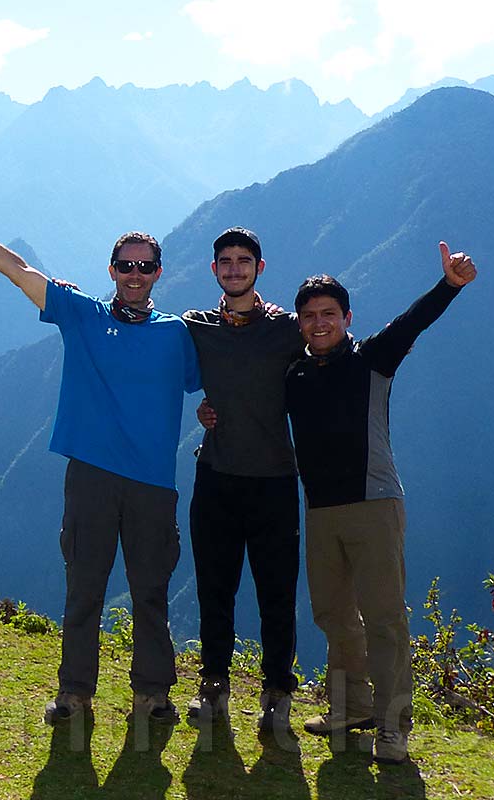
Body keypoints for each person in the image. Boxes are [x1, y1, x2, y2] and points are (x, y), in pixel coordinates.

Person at [0, 178, 201, 726]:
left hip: (152, 484)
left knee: (150, 592)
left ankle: (153, 696)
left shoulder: (179, 334)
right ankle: (75, 695)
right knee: (85, 589)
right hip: (92, 476)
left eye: (146, 267)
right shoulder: (83, 313)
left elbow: (223, 378)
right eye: (126, 265)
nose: (135, 275)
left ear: (159, 274)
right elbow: (17, 269)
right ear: (112, 269)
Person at [284, 242, 478, 765]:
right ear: (299, 323)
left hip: (374, 504)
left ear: (347, 318)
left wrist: (449, 286)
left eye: (328, 314)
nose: (319, 323)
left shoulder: (371, 358)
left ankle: (394, 728)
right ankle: (351, 708)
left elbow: (412, 323)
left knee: (385, 617)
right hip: (320, 510)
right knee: (333, 613)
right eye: (309, 316)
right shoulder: (295, 374)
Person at [179, 227, 305, 735]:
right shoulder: (197, 327)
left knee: (278, 593)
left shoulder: (288, 329)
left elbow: (336, 343)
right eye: (226, 261)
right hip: (216, 478)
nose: (234, 268)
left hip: (274, 481)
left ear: (260, 267)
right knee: (215, 589)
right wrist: (203, 409)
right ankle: (214, 686)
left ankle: (278, 693)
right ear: (214, 270)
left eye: (244, 260)